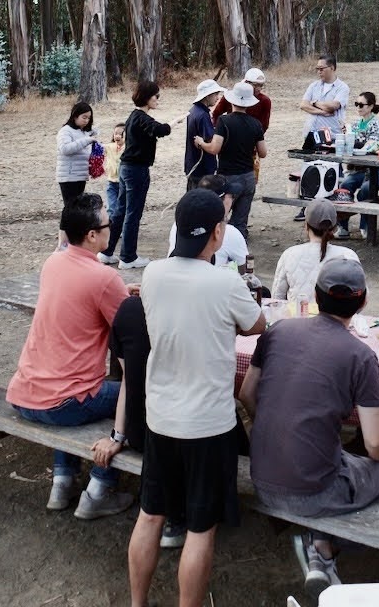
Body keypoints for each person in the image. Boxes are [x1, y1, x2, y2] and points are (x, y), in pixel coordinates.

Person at [127, 188, 266, 607]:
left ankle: (138, 603)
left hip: (161, 417)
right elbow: (257, 325)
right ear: (218, 234)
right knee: (201, 527)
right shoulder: (224, 282)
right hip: (208, 424)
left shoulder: (151, 273)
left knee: (151, 514)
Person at [239, 258, 379, 595]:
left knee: (345, 460)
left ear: (317, 295)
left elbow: (246, 394)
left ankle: (318, 540)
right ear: (362, 303)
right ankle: (325, 547)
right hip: (312, 491)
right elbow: (374, 444)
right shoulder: (361, 356)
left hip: (260, 475)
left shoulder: (278, 331)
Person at [6, 193, 133, 519]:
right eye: (108, 223)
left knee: (70, 381)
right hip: (63, 405)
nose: (111, 227)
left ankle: (62, 482)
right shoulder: (105, 278)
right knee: (139, 397)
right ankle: (98, 489)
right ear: (92, 235)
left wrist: (121, 292)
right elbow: (132, 331)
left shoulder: (54, 262)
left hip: (24, 394)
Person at [101, 81, 176, 271]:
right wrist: (176, 121)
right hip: (136, 170)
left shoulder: (133, 117)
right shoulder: (141, 117)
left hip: (127, 169)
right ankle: (127, 257)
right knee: (132, 213)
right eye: (155, 96)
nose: (158, 99)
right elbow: (161, 130)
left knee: (121, 210)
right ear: (146, 97)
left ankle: (107, 251)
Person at [200, 81, 267, 240]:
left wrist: (202, 143)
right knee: (240, 220)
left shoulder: (224, 121)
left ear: (231, 101)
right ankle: (239, 251)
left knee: (220, 216)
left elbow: (215, 148)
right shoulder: (256, 124)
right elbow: (263, 153)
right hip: (249, 176)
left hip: (228, 176)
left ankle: (219, 249)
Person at [294, 55, 350, 223]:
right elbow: (303, 104)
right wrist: (320, 109)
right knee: (308, 169)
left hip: (331, 135)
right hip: (312, 133)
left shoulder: (342, 87)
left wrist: (315, 103)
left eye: (322, 68)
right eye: (317, 69)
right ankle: (306, 207)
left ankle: (334, 210)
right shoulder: (313, 85)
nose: (319, 72)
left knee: (333, 171)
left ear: (332, 68)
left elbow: (334, 106)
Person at [271, 198, 361, 302]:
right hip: (336, 316)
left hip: (299, 315)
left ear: (306, 226)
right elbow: (360, 298)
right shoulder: (348, 256)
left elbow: (277, 299)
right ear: (335, 228)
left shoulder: (289, 254)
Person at [168, 174, 249, 272]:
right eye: (231, 196)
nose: (232, 200)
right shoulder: (231, 233)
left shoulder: (178, 225)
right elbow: (245, 271)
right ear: (217, 231)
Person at [334, 92, 379, 239]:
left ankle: (366, 225)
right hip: (359, 167)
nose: (358, 107)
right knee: (344, 187)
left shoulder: (376, 124)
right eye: (356, 104)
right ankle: (343, 227)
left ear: (370, 106)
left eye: (361, 105)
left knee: (365, 190)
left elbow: (370, 146)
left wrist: (352, 140)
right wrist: (346, 135)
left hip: (376, 167)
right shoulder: (356, 123)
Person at [184, 78, 224, 189]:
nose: (218, 97)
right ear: (207, 95)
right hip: (202, 169)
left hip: (193, 164)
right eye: (216, 94)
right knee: (202, 203)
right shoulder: (203, 115)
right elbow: (212, 143)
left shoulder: (194, 110)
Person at [56, 101, 97, 204]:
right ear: (75, 116)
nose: (87, 120)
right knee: (71, 207)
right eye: (84, 117)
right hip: (69, 177)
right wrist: (86, 140)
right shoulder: (66, 131)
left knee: (78, 208)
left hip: (81, 175)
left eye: (89, 118)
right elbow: (65, 149)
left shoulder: (84, 132)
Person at [212, 67, 271, 132]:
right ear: (246, 83)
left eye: (261, 85)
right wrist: (220, 133)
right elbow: (216, 114)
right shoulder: (230, 97)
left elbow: (264, 125)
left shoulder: (264, 101)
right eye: (256, 85)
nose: (259, 88)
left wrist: (254, 138)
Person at [103, 122, 125, 221]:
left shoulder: (129, 147)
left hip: (123, 183)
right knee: (111, 207)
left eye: (121, 134)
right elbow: (99, 147)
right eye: (116, 133)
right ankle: (111, 229)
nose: (118, 136)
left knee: (122, 207)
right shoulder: (110, 147)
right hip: (111, 182)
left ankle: (120, 227)